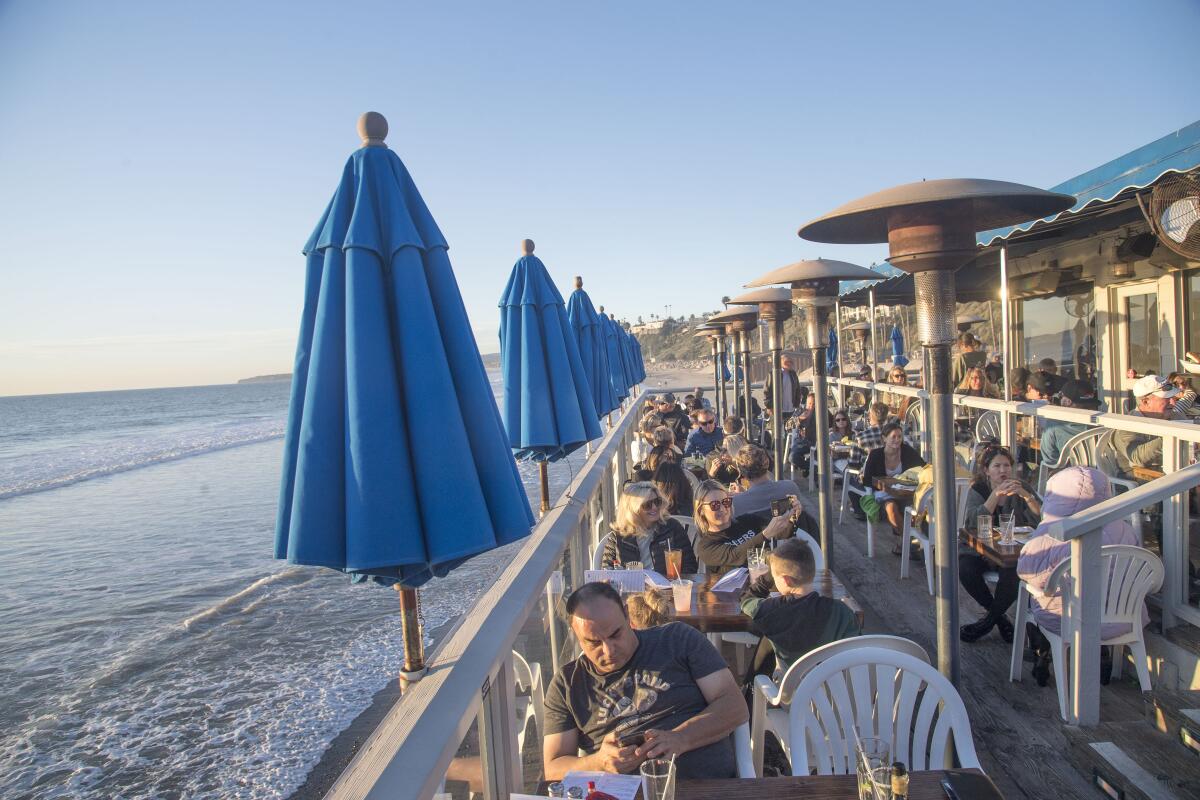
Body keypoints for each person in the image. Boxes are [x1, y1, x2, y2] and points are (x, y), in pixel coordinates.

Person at [542, 582, 748, 779]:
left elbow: (735, 706)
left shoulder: (677, 640)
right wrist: (598, 762)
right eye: (594, 642)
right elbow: (553, 768)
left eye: (616, 634)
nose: (608, 650)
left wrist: (681, 738)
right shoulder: (567, 684)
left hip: (703, 784)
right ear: (576, 635)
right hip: (623, 792)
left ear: (627, 614)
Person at [1017, 467, 1143, 686]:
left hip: (1068, 619)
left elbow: (1028, 572)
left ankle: (1041, 652)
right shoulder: (1125, 530)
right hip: (1123, 618)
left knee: (1033, 596)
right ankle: (1102, 654)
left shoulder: (1051, 534)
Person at [959, 444, 1042, 643]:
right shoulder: (979, 488)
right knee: (964, 567)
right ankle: (999, 618)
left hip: (1013, 552)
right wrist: (994, 496)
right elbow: (971, 522)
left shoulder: (1020, 487)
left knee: (1013, 572)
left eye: (1006, 466)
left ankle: (987, 622)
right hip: (983, 551)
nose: (1003, 470)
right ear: (986, 470)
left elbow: (1041, 518)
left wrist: (1026, 496)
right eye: (997, 466)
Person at [740, 538, 861, 673]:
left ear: (786, 580)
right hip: (831, 686)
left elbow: (746, 601)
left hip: (791, 688)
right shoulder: (840, 611)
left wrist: (766, 579)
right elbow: (854, 649)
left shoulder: (771, 609)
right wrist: (848, 609)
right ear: (813, 571)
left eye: (775, 577)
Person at [691, 479, 799, 575]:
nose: (723, 509)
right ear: (701, 511)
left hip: (766, 587)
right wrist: (765, 535)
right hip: (732, 595)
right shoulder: (706, 546)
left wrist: (791, 517)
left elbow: (783, 533)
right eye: (714, 505)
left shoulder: (747, 521)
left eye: (726, 502)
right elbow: (735, 555)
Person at [601, 482, 697, 574]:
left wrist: (673, 583)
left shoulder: (672, 528)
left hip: (667, 587)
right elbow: (606, 572)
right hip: (632, 589)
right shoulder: (617, 537)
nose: (654, 507)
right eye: (647, 505)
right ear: (633, 510)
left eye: (657, 501)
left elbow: (690, 565)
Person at [860, 422, 926, 552]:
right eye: (894, 437)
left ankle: (909, 543)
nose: (897, 440)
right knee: (891, 507)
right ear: (884, 438)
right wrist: (869, 498)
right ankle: (908, 542)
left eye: (900, 436)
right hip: (883, 494)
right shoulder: (875, 455)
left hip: (906, 494)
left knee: (920, 507)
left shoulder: (906, 451)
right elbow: (867, 480)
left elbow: (923, 468)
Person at [730, 445, 817, 530]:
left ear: (741, 472)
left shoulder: (736, 503)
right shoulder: (790, 487)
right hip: (790, 539)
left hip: (760, 542)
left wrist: (742, 496)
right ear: (766, 463)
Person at [1111, 374, 1180, 478]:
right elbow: (1137, 457)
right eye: (1167, 398)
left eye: (1173, 397)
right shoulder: (1127, 425)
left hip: (1174, 474)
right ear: (1146, 401)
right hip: (1142, 483)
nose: (1173, 403)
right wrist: (1173, 436)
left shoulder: (1172, 415)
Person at [1039, 380, 1100, 466]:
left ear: (1067, 401)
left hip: (1068, 475)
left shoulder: (1053, 427)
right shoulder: (1102, 425)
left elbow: (1049, 460)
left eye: (1061, 397)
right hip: (1100, 474)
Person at [763, 355, 802, 423]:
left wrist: (797, 404)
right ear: (780, 362)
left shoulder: (793, 374)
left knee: (790, 430)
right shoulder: (773, 374)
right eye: (786, 361)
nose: (789, 363)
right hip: (776, 410)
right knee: (777, 431)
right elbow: (767, 391)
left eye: (791, 362)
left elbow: (797, 390)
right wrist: (769, 406)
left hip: (790, 409)